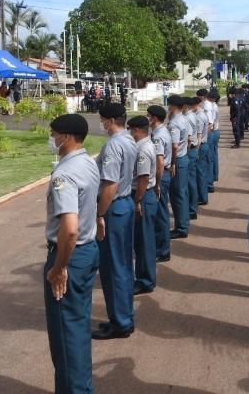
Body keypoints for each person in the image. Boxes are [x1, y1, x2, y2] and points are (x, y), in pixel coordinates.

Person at [44, 113, 100, 393]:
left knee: (66, 336)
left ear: (66, 137)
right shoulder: (88, 163)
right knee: (77, 329)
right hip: (87, 252)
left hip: (71, 255)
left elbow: (69, 229)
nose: (52, 139)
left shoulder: (64, 173)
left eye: (54, 134)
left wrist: (58, 268)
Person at [92, 103, 138, 341]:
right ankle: (125, 317)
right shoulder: (129, 140)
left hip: (113, 207)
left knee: (113, 268)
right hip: (125, 205)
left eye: (102, 120)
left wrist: (100, 214)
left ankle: (120, 322)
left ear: (110, 121)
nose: (102, 124)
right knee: (123, 265)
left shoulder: (113, 145)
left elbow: (110, 185)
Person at [128, 115, 159, 295]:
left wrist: (137, 201)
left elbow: (143, 178)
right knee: (141, 241)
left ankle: (145, 280)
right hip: (143, 195)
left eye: (130, 130)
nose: (129, 133)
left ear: (137, 130)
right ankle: (143, 276)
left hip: (142, 195)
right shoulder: (143, 146)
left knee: (144, 241)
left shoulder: (143, 150)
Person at [148, 105, 173, 263]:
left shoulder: (158, 135)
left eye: (148, 116)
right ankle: (162, 247)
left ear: (155, 118)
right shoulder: (162, 131)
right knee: (161, 212)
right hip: (164, 175)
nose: (147, 118)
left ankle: (162, 250)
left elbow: (159, 161)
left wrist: (156, 184)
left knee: (161, 214)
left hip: (161, 177)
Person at [167, 95, 192, 239]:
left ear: (172, 105)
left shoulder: (175, 123)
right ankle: (183, 223)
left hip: (178, 160)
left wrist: (172, 163)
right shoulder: (183, 119)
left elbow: (174, 146)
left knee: (177, 196)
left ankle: (181, 227)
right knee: (182, 193)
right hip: (183, 158)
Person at [184, 97, 201, 220]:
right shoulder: (193, 115)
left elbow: (189, 139)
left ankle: (191, 209)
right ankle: (192, 207)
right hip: (193, 150)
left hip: (190, 151)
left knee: (189, 182)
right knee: (192, 180)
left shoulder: (188, 117)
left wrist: (186, 151)